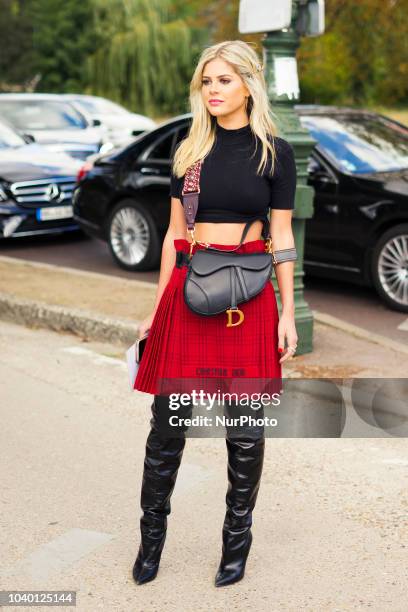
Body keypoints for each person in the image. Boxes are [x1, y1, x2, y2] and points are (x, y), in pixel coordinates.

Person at [132, 40, 298, 587]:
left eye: (224, 80)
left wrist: (287, 314)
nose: (214, 90)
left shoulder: (274, 152)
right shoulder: (190, 151)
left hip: (250, 295)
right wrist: (155, 311)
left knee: (245, 431)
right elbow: (175, 238)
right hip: (190, 287)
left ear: (249, 84)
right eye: (207, 81)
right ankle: (150, 544)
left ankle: (236, 548)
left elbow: (281, 236)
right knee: (167, 428)